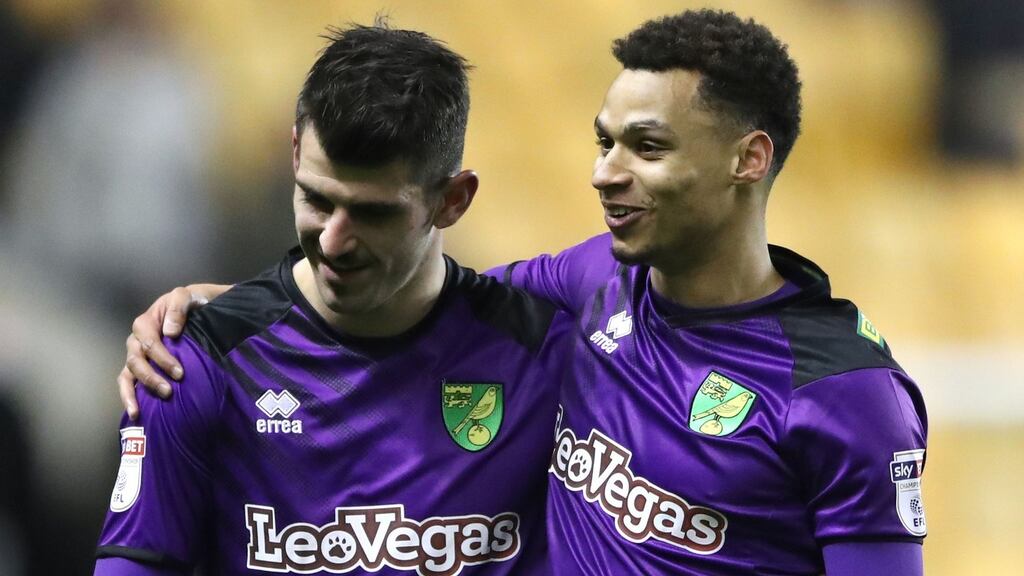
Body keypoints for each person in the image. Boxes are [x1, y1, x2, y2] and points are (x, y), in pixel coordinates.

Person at [121, 10, 928, 575]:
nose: (605, 173)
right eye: (604, 141)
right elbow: (418, 292)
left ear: (748, 159)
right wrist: (238, 308)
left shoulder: (843, 391)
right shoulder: (592, 284)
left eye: (645, 147)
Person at [95, 22, 570, 575]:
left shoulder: (547, 357)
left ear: (453, 201)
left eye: (373, 213)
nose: (333, 242)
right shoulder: (197, 361)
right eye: (317, 200)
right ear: (296, 153)